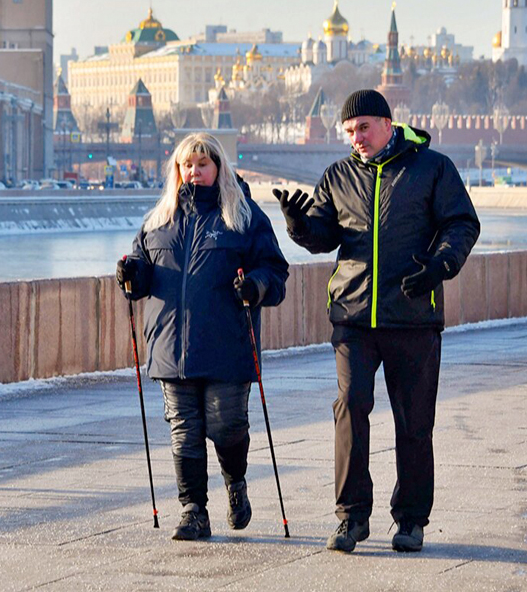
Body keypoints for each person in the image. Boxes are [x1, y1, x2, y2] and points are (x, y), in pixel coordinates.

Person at [275, 89, 480, 553]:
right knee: (351, 406)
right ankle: (351, 518)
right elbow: (324, 237)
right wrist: (299, 225)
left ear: (389, 123)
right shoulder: (339, 175)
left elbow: (462, 224)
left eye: (363, 127)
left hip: (413, 316)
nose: (357, 138)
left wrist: (440, 265)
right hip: (352, 316)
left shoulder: (432, 168)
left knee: (413, 422)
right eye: (349, 131)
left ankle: (410, 520)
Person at [117, 132, 289, 541]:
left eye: (203, 164)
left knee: (226, 426)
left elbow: (275, 273)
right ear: (177, 170)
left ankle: (235, 482)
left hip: (226, 345)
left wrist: (255, 287)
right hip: (169, 347)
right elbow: (140, 275)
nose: (194, 172)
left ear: (219, 169)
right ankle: (193, 509)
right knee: (184, 432)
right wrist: (130, 275)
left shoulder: (243, 218)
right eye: (187, 165)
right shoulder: (158, 220)